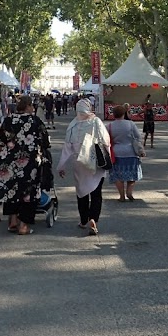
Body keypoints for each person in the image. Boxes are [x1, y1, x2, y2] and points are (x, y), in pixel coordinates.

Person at [0, 95, 52, 235]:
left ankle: (12, 221)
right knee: (28, 192)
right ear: (28, 106)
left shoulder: (9, 119)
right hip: (29, 162)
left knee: (11, 189)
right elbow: (45, 140)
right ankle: (24, 225)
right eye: (31, 106)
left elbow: (1, 137)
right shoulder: (35, 121)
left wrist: (12, 144)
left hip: (10, 160)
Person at [57, 98, 112, 235]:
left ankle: (83, 220)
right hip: (95, 161)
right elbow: (105, 141)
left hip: (79, 162)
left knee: (81, 192)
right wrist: (108, 156)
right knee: (96, 192)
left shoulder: (73, 125)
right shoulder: (96, 121)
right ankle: (93, 219)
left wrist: (61, 166)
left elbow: (67, 147)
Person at [107, 104, 145, 202]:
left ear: (113, 114)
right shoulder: (131, 124)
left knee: (117, 175)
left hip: (116, 152)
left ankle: (122, 195)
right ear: (124, 113)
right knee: (132, 174)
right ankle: (129, 192)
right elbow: (138, 136)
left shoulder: (109, 126)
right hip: (131, 151)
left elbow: (105, 140)